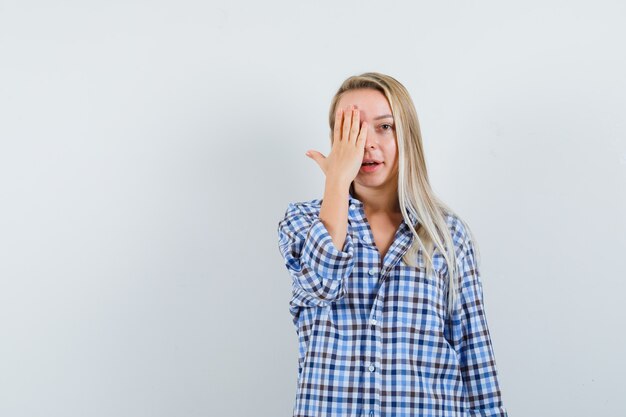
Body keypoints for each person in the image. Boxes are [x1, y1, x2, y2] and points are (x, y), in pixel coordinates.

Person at [277, 72, 508, 417]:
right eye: (351, 129)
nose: (366, 143)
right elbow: (320, 285)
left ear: (406, 135)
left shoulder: (447, 233)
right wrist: (337, 182)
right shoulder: (303, 222)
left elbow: (473, 357)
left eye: (384, 127)